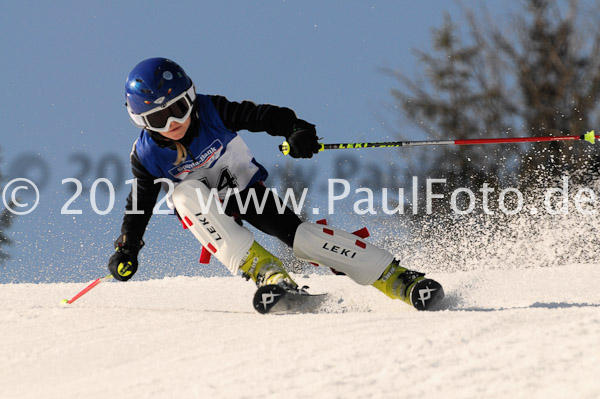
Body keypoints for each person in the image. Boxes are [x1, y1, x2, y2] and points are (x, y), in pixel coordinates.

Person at [108, 57, 443, 310]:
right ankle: (266, 272)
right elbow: (140, 201)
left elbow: (261, 115)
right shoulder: (147, 155)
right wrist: (128, 246)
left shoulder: (211, 111)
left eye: (179, 109)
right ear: (142, 121)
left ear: (191, 97)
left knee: (303, 238)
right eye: (158, 119)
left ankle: (394, 277)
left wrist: (295, 128)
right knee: (182, 194)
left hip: (246, 193)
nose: (173, 123)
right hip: (207, 210)